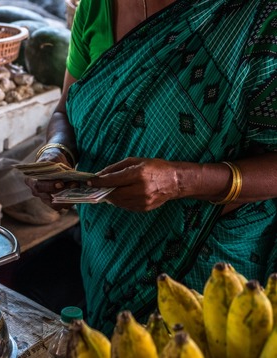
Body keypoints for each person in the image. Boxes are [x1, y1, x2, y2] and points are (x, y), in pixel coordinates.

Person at [25, 0, 277, 335]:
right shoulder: (97, 7)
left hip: (210, 263)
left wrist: (178, 181)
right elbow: (64, 111)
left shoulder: (259, 18)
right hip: (108, 251)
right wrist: (55, 153)